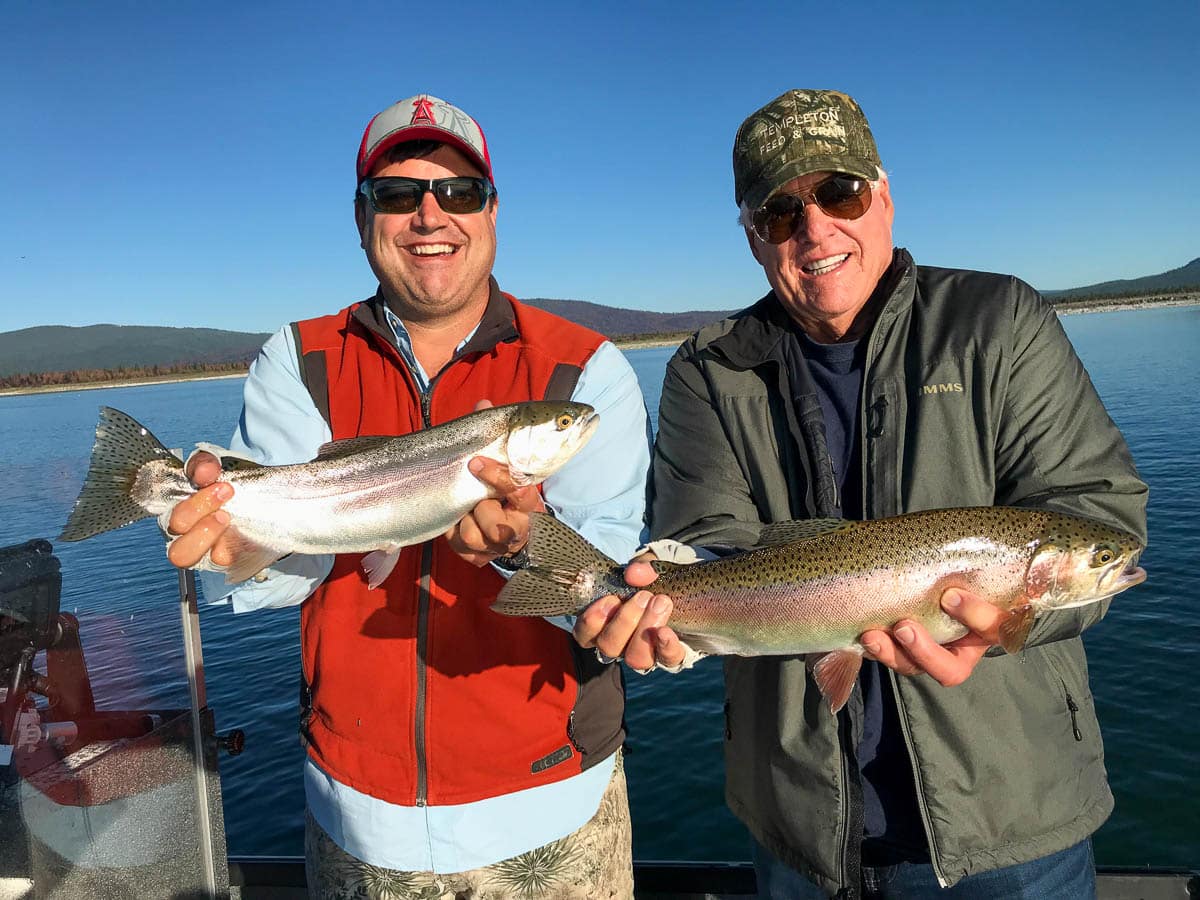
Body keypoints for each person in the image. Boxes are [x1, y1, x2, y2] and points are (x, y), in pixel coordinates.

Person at [575, 89, 1148, 897]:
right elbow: (705, 536)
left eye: (837, 192)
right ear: (751, 237)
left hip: (1011, 823)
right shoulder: (709, 369)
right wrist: (665, 606)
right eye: (780, 211)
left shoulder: (999, 320)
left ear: (882, 195)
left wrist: (1001, 628)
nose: (815, 229)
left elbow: (1099, 516)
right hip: (799, 831)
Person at [163, 94, 650, 899]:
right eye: (397, 195)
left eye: (459, 192)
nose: (430, 215)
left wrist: (525, 546)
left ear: (493, 213)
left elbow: (609, 592)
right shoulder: (300, 357)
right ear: (363, 221)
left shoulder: (586, 370)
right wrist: (235, 540)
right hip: (356, 812)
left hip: (554, 805)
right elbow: (290, 575)